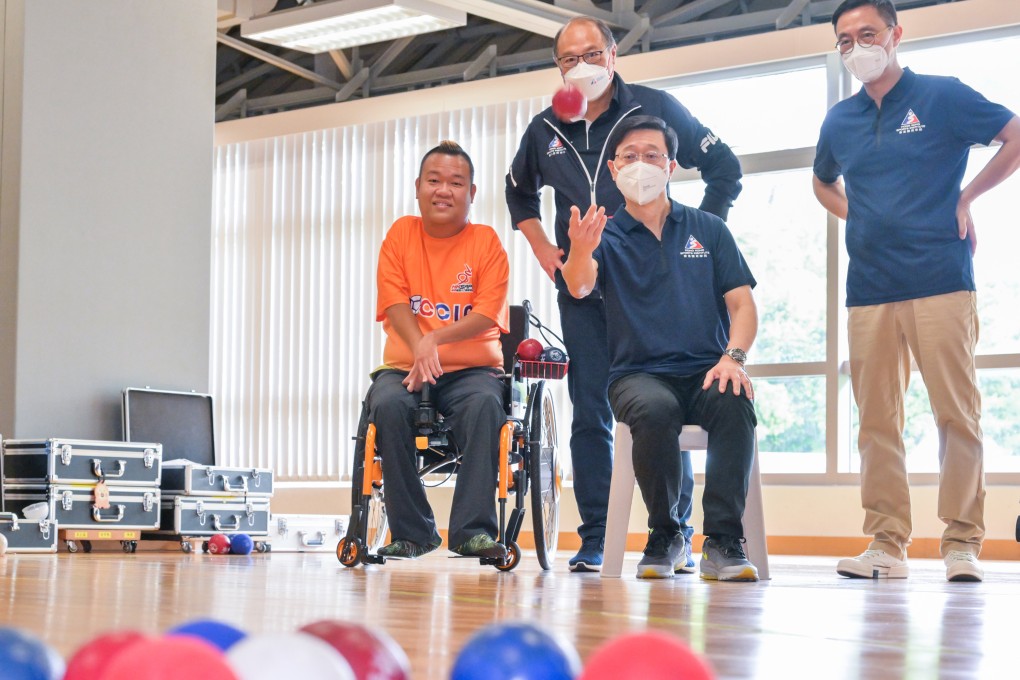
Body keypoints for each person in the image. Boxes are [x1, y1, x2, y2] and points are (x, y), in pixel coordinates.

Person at [505, 16, 743, 572]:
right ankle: (595, 538)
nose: (581, 66)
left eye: (592, 53)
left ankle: (677, 531)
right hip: (586, 289)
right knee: (590, 411)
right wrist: (545, 248)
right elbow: (519, 195)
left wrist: (697, 239)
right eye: (569, 58)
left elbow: (725, 168)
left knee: (671, 392)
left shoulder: (652, 110)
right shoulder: (545, 129)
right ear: (559, 68)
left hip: (659, 291)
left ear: (613, 54)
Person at [813, 0, 1020, 582]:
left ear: (896, 35)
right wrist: (860, 215)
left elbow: (1014, 135)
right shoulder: (839, 122)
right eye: (846, 40)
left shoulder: (942, 96)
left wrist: (966, 198)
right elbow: (821, 180)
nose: (858, 47)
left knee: (957, 415)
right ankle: (886, 544)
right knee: (876, 421)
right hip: (869, 289)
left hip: (940, 281)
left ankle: (962, 546)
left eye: (868, 34)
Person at [562, 115, 759, 581]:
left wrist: (734, 359)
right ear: (613, 170)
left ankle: (724, 541)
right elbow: (578, 286)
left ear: (670, 166)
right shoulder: (603, 236)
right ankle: (667, 533)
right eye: (629, 157)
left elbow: (743, 305)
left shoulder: (708, 229)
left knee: (734, 399)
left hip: (707, 369)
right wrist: (578, 250)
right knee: (652, 409)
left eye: (652, 156)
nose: (641, 165)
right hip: (637, 375)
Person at [366, 140, 511, 561]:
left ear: (471, 193)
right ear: (417, 187)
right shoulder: (400, 234)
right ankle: (414, 533)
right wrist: (419, 347)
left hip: (471, 371)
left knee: (486, 406)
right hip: (405, 368)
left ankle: (472, 532)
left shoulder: (485, 242)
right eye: (434, 180)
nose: (443, 190)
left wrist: (435, 340)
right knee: (388, 405)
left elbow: (487, 313)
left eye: (455, 182)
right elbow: (393, 301)